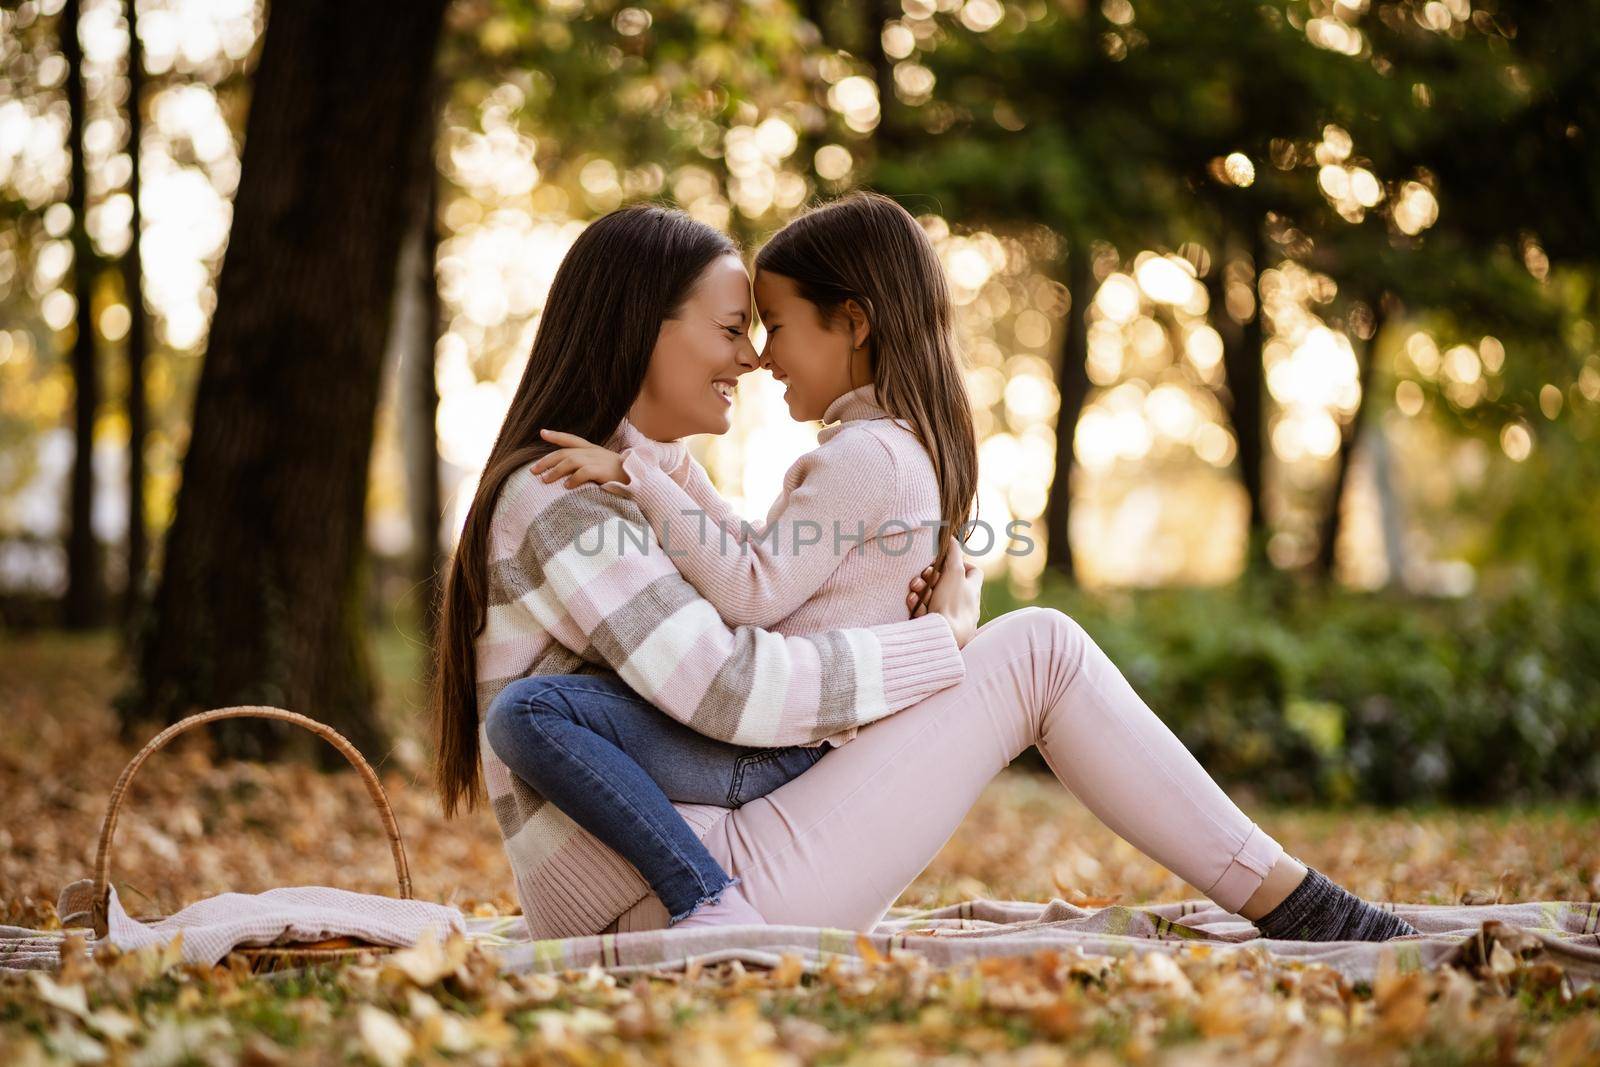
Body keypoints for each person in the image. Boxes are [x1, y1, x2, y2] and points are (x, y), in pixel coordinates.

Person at [432, 196, 1418, 945]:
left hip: (716, 844)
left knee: (1034, 647)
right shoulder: (561, 501)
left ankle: (1293, 895)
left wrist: (929, 604)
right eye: (732, 327)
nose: (752, 357)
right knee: (1037, 652)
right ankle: (1299, 901)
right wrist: (934, 644)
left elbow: (757, 591)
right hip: (678, 884)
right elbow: (734, 683)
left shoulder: (652, 481)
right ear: (641, 326)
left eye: (760, 327)